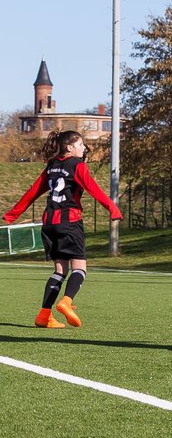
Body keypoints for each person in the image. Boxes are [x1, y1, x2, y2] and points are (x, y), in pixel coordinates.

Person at [2, 130, 123, 328]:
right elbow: (94, 188)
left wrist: (13, 214)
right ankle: (66, 302)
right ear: (69, 147)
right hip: (69, 222)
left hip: (49, 223)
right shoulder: (77, 165)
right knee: (80, 268)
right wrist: (113, 208)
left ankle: (44, 315)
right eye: (81, 144)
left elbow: (33, 191)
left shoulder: (52, 166)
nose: (84, 148)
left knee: (59, 270)